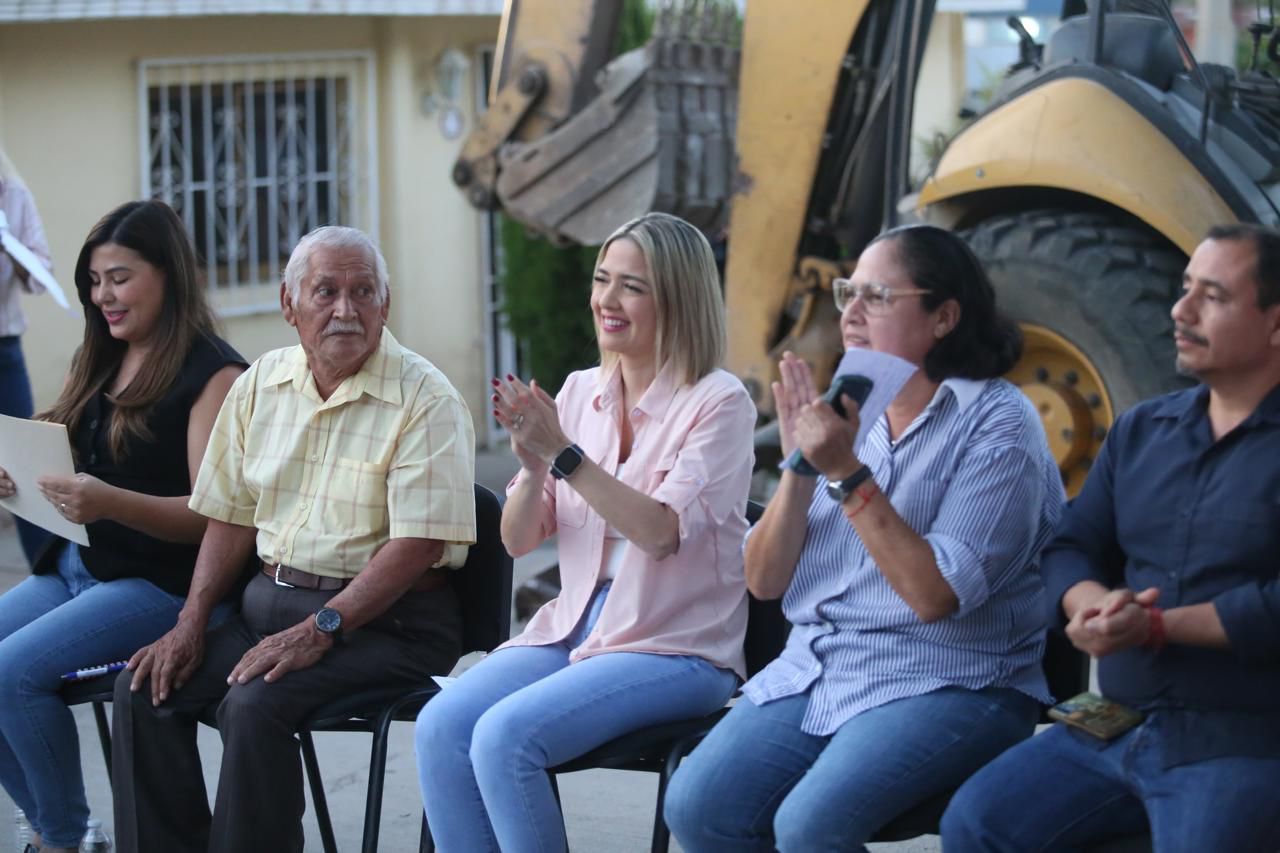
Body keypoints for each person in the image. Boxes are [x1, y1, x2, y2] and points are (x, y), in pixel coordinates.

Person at [663, 224, 1066, 852]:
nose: (849, 313)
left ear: (944, 317)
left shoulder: (999, 424)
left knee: (808, 827)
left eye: (875, 296)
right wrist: (800, 468)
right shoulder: (850, 412)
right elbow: (764, 581)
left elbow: (934, 595)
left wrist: (847, 473)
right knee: (697, 807)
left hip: (956, 678)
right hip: (829, 664)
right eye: (847, 291)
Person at [111, 225, 477, 853]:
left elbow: (416, 544)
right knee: (143, 689)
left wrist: (321, 629)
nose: (346, 309)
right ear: (289, 306)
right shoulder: (260, 383)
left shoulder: (425, 398)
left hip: (387, 627)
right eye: (325, 291)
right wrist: (191, 622)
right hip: (267, 613)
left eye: (364, 292)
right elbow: (231, 514)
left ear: (385, 307)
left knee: (253, 706)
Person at [415, 212, 756, 852]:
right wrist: (533, 461)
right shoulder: (577, 392)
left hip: (675, 646)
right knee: (440, 725)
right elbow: (517, 541)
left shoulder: (720, 401)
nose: (607, 298)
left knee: (504, 737)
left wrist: (566, 454)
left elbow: (659, 534)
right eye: (603, 279)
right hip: (576, 626)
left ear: (677, 298)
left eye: (632, 285)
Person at [941, 224, 1280, 852]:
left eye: (1214, 296)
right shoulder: (1143, 429)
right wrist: (1089, 604)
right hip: (1116, 721)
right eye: (1185, 289)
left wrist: (1154, 628)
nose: (1181, 311)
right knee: (977, 822)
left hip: (1241, 734)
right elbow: (1072, 545)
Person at [0, 199, 246, 853]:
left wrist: (108, 501)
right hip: (80, 566)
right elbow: (65, 457)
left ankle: (65, 838)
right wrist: (18, 478)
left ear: (168, 274)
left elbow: (211, 514)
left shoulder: (215, 373)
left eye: (119, 276)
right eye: (94, 280)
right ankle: (67, 828)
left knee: (12, 672)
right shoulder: (104, 355)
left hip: (162, 584)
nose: (102, 295)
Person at [0, 148, 56, 563]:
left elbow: (40, 272)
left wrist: (9, 247)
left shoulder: (13, 193)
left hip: (4, 349)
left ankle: (45, 572)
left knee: (21, 467)